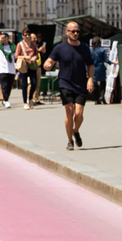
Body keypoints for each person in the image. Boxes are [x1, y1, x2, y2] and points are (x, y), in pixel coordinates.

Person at [44, 21, 94, 150]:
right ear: (67, 32)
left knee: (79, 114)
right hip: (65, 82)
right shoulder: (60, 48)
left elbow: (90, 65)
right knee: (69, 112)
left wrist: (90, 80)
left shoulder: (84, 48)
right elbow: (49, 61)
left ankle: (76, 131)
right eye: (73, 31)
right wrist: (47, 65)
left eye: (77, 31)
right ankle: (69, 141)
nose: (75, 33)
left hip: (81, 83)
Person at [16, 28, 42, 109]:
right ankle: (25, 102)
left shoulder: (33, 44)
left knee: (34, 83)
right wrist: (24, 57)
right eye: (25, 35)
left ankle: (30, 99)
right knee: (24, 84)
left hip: (32, 65)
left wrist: (34, 58)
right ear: (22, 36)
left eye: (28, 35)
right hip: (24, 65)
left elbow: (36, 54)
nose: (27, 36)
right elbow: (16, 56)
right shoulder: (20, 44)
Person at [0, 32, 17, 108]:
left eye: (2, 38)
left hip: (11, 69)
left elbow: (16, 57)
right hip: (2, 69)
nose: (1, 40)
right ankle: (6, 100)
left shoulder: (13, 47)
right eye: (0, 38)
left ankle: (6, 99)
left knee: (9, 86)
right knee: (4, 85)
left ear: (6, 38)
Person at [90, 37, 108, 103]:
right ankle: (102, 96)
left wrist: (87, 70)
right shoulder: (102, 50)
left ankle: (96, 99)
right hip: (101, 68)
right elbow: (106, 60)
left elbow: (88, 61)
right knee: (103, 83)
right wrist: (112, 62)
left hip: (93, 68)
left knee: (94, 83)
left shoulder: (90, 50)